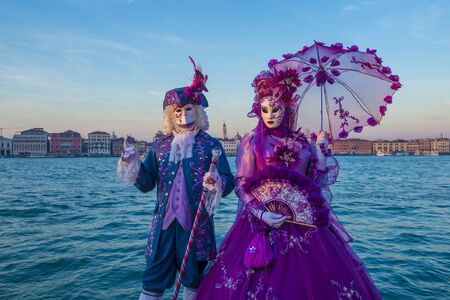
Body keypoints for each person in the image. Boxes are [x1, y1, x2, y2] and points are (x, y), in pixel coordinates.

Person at [195, 69, 381, 299]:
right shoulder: (252, 141)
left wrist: (321, 155)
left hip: (302, 227)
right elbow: (242, 183)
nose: (270, 115)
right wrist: (260, 213)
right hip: (258, 222)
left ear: (287, 109)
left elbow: (315, 186)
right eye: (264, 110)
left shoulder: (302, 144)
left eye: (276, 109)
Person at [117, 58, 235, 300]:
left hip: (196, 226)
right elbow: (147, 183)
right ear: (171, 115)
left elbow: (228, 180)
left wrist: (216, 182)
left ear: (198, 111)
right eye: (177, 111)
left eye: (188, 109)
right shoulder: (159, 146)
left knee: (193, 279)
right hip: (162, 227)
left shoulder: (211, 145)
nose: (182, 115)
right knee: (153, 278)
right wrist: (132, 164)